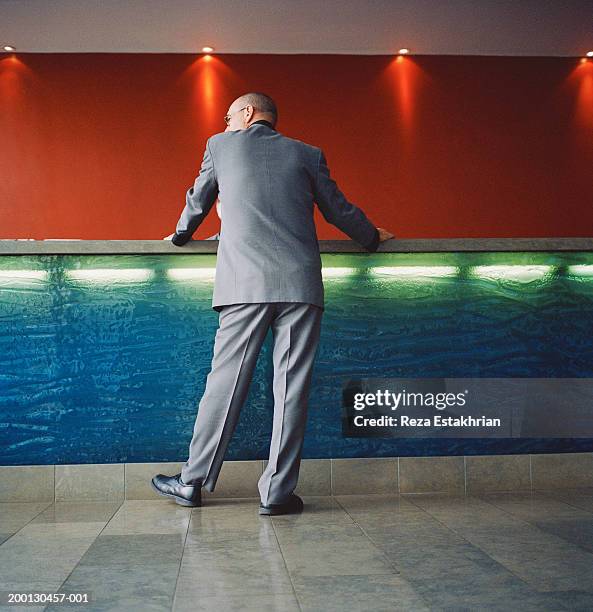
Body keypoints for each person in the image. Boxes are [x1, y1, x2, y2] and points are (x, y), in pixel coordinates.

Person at [153, 92, 394, 515]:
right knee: (291, 390)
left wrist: (178, 236)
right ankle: (277, 494)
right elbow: (338, 210)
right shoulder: (308, 154)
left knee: (224, 385)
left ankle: (192, 482)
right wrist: (371, 236)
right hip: (300, 286)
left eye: (229, 117)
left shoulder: (220, 146)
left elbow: (198, 200)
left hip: (244, 286)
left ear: (247, 113)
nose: (226, 124)